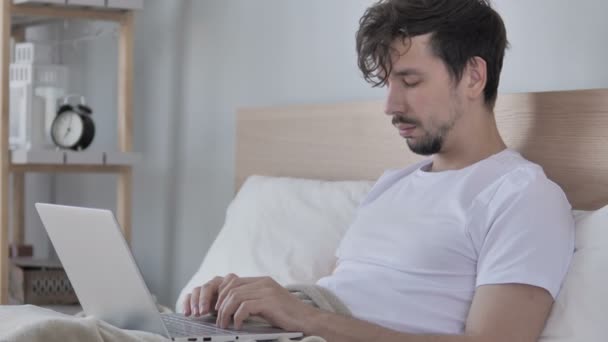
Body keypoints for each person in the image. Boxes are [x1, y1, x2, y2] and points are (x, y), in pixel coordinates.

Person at [183, 1, 575, 341]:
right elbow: (345, 291)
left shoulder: (521, 196)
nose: (390, 105)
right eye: (388, 83)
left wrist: (302, 317)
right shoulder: (393, 184)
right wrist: (244, 303)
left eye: (410, 81)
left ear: (473, 76)